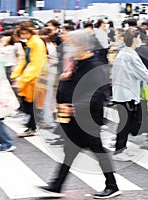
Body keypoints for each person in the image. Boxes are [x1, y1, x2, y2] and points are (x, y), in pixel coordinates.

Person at [39, 29, 121, 199]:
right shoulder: (78, 63)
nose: (69, 47)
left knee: (97, 149)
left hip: (88, 117)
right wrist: (65, 78)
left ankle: (112, 185)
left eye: (73, 44)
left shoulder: (96, 66)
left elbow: (99, 94)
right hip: (74, 116)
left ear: (83, 46)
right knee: (71, 150)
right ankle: (57, 185)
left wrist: (76, 106)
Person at [112, 28, 148, 161]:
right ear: (135, 39)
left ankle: (121, 148)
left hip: (122, 93)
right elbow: (144, 75)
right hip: (127, 94)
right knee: (125, 123)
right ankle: (119, 151)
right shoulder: (131, 55)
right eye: (139, 38)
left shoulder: (123, 53)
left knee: (126, 122)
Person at [11, 21, 47, 137]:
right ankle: (33, 125)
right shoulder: (32, 42)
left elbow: (36, 62)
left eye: (25, 33)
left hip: (33, 78)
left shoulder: (35, 43)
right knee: (29, 103)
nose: (23, 36)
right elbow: (26, 61)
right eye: (22, 34)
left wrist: (23, 78)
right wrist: (17, 74)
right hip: (31, 77)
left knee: (30, 103)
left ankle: (33, 127)